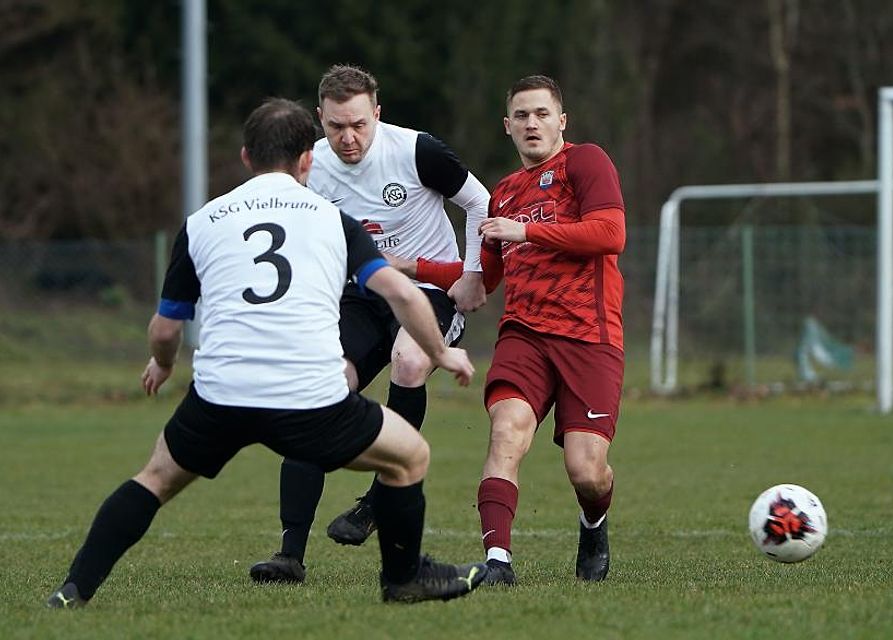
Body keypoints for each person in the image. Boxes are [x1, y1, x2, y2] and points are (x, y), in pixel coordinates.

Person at [45, 98, 487, 608]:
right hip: (307, 398)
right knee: (410, 456)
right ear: (307, 159)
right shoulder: (334, 220)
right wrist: (442, 352)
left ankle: (73, 591)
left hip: (220, 395)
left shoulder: (202, 221)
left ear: (245, 157)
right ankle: (403, 579)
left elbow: (165, 329)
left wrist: (163, 365)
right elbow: (402, 294)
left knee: (155, 479)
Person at [249, 65, 492, 583]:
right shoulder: (309, 167)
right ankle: (290, 554)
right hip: (357, 297)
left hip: (424, 293)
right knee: (320, 389)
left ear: (377, 114)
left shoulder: (417, 150)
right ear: (320, 119)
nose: (349, 137)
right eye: (337, 126)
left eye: (359, 124)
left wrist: (472, 274)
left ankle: (381, 496)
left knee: (409, 361)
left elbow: (479, 202)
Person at [472, 75, 627, 585]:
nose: (531, 123)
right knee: (506, 430)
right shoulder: (503, 194)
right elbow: (481, 280)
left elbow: (610, 233)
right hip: (524, 335)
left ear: (562, 121)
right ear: (507, 126)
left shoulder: (585, 162)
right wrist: (406, 268)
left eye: (541, 114)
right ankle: (498, 562)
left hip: (589, 335)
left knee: (587, 471)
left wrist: (527, 230)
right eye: (521, 115)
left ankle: (593, 521)